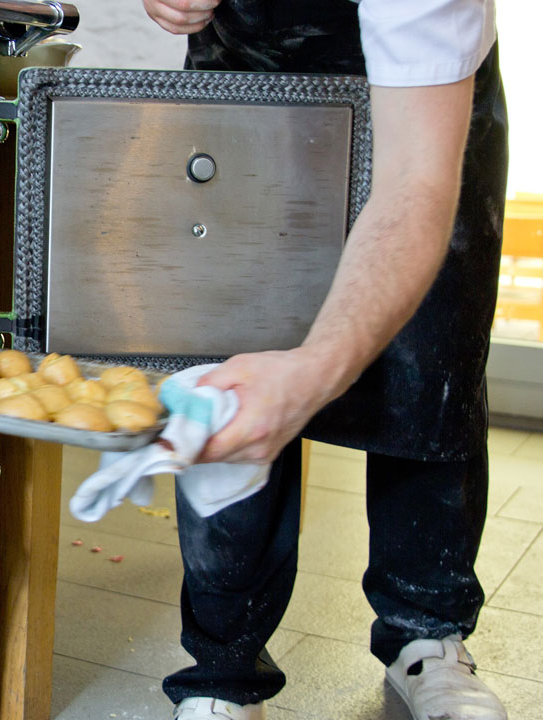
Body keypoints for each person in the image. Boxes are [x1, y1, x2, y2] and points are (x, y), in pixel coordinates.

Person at [137, 0, 510, 718]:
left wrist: (316, 372)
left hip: (415, 104)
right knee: (231, 362)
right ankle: (223, 662)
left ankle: (425, 634)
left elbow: (415, 186)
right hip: (246, 76)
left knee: (429, 363)